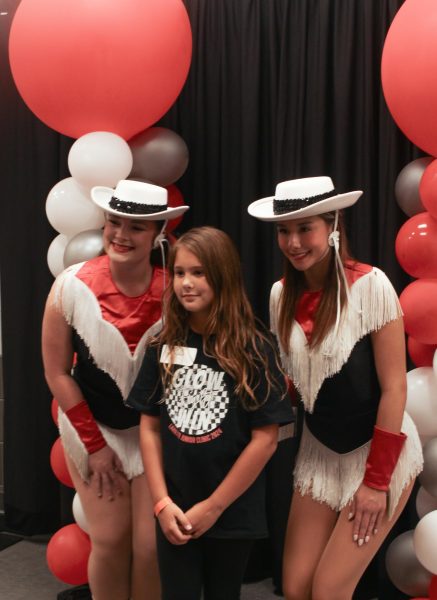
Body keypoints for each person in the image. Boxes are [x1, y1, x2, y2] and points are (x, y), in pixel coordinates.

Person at [247, 176, 423, 600]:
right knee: (296, 588)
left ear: (332, 226)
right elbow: (296, 381)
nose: (293, 242)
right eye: (284, 230)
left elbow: (395, 389)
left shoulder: (371, 286)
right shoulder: (279, 295)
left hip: (379, 456)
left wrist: (375, 484)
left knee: (328, 591)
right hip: (320, 454)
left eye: (305, 228)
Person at [127, 226, 294, 600]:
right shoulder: (162, 344)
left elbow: (265, 440)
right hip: (174, 508)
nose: (186, 283)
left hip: (231, 512)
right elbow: (150, 429)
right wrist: (160, 502)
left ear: (223, 275)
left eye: (198, 272)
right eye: (180, 273)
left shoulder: (254, 347)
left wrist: (214, 508)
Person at [42, 179, 189, 600]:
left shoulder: (176, 291)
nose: (121, 235)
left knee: (148, 547)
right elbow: (57, 373)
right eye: (114, 222)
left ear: (158, 232)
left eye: (136, 227)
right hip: (94, 427)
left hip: (151, 430)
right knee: (109, 542)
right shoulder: (71, 286)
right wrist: (95, 445)